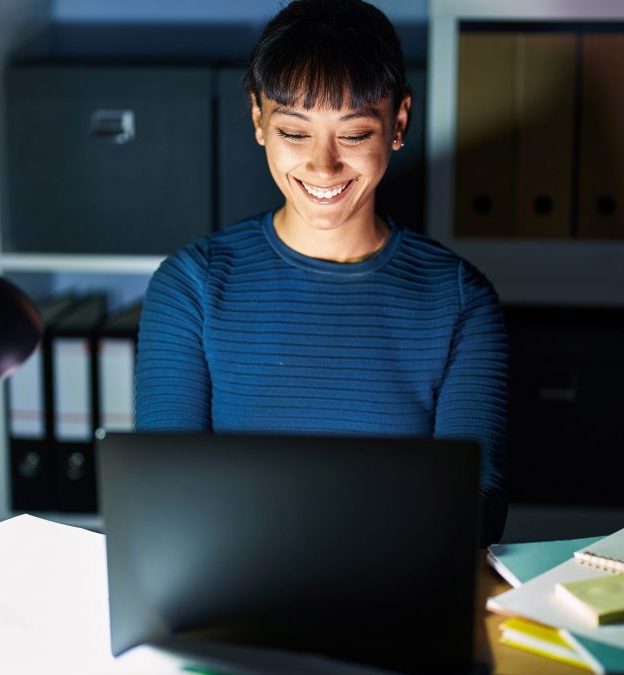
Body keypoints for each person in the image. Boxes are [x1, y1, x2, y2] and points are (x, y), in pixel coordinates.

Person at [134, 0, 508, 545]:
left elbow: (478, 503)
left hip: (395, 591)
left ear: (398, 122)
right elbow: (163, 493)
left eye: (353, 135)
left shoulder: (460, 301)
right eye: (295, 132)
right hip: (233, 589)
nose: (323, 166)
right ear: (259, 120)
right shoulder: (191, 286)